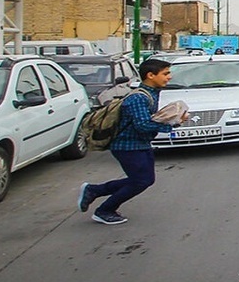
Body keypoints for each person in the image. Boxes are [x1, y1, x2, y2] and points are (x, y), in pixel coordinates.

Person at [77, 58, 188, 225]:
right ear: (150, 75)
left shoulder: (151, 93)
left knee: (145, 180)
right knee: (141, 181)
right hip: (127, 146)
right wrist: (174, 122)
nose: (169, 77)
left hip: (139, 144)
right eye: (165, 74)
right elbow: (142, 125)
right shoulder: (138, 98)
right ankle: (104, 210)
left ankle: (93, 190)